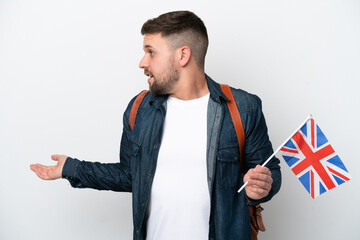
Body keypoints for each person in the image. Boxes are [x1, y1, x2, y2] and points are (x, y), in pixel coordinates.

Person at [30, 10, 281, 240]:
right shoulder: (140, 108)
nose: (142, 62)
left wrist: (262, 187)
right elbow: (130, 175)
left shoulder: (243, 108)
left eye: (151, 52)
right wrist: (71, 168)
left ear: (182, 55)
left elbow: (271, 174)